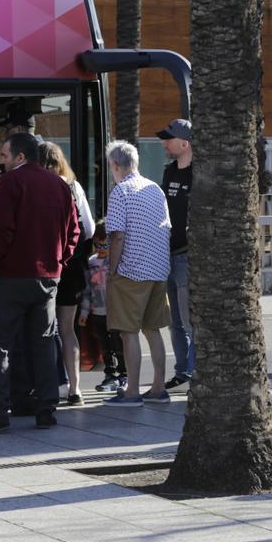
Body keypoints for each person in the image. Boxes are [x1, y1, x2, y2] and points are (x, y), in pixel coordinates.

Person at [0, 133, 79, 433]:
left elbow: (2, 228)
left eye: (4, 156)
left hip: (13, 276)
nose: (0, 163)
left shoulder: (11, 183)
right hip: (47, 277)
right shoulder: (59, 184)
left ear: (19, 157)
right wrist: (60, 263)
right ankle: (46, 409)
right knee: (43, 343)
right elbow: (74, 231)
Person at [102, 140, 174, 407]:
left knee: (127, 331)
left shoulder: (121, 192)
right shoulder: (155, 188)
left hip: (131, 271)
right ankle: (158, 387)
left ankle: (132, 391)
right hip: (158, 270)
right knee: (152, 329)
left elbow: (117, 236)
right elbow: (166, 228)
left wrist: (112, 269)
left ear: (116, 165)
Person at [38, 141, 96, 406]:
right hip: (71, 266)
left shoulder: (37, 185)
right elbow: (90, 228)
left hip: (44, 264)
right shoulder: (73, 186)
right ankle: (75, 389)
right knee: (68, 328)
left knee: (43, 329)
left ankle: (48, 386)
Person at [157, 119, 194, 391]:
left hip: (187, 256)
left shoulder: (198, 174)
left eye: (169, 139)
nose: (164, 143)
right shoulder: (169, 172)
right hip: (167, 255)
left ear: (185, 143)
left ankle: (192, 372)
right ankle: (182, 372)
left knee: (190, 320)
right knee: (175, 323)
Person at [80, 225, 127, 392]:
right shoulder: (91, 262)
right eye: (97, 245)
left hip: (114, 310)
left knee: (118, 342)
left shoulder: (117, 260)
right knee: (104, 344)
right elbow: (87, 290)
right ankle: (110, 374)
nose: (100, 249)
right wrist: (85, 312)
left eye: (105, 245)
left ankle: (123, 374)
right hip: (98, 311)